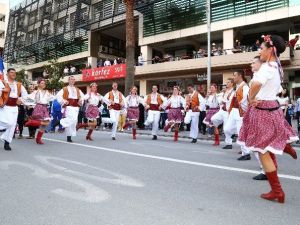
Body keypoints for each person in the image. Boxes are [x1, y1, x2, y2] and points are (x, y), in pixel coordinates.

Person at [238, 35, 298, 203]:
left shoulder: (266, 67)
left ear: (271, 49)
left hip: (262, 109)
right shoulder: (277, 66)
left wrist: (250, 98)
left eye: (262, 48)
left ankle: (277, 191)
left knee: (262, 150)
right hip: (272, 106)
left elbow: (256, 85)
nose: (260, 51)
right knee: (267, 144)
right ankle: (284, 145)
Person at [224, 70, 250, 160]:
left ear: (240, 76)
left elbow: (247, 99)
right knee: (227, 128)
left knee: (241, 132)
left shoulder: (245, 86)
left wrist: (243, 110)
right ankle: (235, 137)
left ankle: (246, 153)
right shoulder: (238, 87)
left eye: (234, 75)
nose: (233, 77)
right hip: (234, 111)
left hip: (240, 111)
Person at [0, 68, 28, 150]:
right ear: (7, 74)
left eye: (14, 73)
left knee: (12, 125)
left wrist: (21, 100)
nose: (13, 74)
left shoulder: (19, 84)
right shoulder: (2, 83)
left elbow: (25, 95)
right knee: (8, 123)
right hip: (5, 107)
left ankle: (7, 142)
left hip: (15, 107)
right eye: (11, 72)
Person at [24, 78, 54, 144]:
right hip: (39, 107)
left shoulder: (47, 92)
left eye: (44, 83)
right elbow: (28, 98)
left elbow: (53, 97)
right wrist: (25, 102)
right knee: (45, 122)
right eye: (42, 83)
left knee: (44, 124)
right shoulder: (36, 92)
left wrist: (63, 99)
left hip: (45, 108)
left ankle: (38, 139)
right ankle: (31, 122)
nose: (43, 84)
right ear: (38, 84)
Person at [56, 76, 84, 143]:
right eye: (71, 79)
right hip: (68, 106)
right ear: (68, 80)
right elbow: (58, 96)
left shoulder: (77, 89)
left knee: (74, 122)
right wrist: (64, 101)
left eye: (74, 79)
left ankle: (60, 122)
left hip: (76, 107)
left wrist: (80, 100)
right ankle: (68, 137)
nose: (73, 80)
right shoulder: (65, 89)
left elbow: (82, 97)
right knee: (72, 119)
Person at [211, 79, 235, 149]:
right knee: (213, 118)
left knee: (226, 128)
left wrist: (223, 100)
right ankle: (218, 127)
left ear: (232, 84)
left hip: (227, 112)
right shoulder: (224, 92)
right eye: (226, 82)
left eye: (228, 82)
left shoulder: (233, 92)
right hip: (221, 111)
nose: (226, 84)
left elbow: (229, 101)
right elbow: (218, 98)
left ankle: (229, 143)